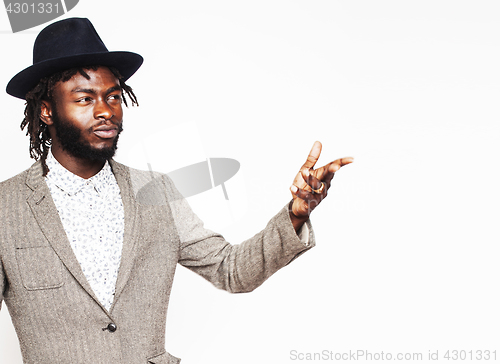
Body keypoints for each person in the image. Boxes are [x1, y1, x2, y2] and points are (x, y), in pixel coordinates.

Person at [0, 18, 353, 364]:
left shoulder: (156, 192)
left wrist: (295, 212)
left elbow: (231, 270)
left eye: (113, 96)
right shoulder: (6, 207)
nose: (106, 111)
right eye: (84, 99)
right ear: (47, 111)